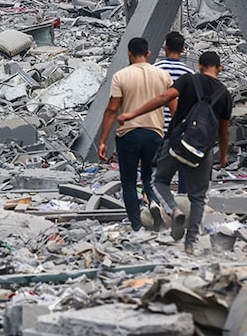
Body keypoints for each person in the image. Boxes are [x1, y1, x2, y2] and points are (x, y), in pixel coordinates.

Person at [117, 51, 231, 254]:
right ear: (219, 68)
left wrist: (133, 114)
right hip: (202, 151)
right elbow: (224, 130)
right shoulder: (224, 93)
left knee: (157, 181)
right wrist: (222, 156)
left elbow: (163, 98)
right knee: (198, 198)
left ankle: (173, 209)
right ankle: (190, 244)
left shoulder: (188, 80)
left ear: (199, 65)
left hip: (176, 144)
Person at [98, 37, 173, 231]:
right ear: (148, 54)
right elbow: (174, 109)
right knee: (151, 178)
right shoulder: (163, 75)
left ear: (129, 54)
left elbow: (112, 110)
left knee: (129, 182)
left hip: (128, 135)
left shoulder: (120, 76)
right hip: (155, 134)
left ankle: (137, 225)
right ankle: (155, 204)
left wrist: (103, 140)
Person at [154, 31, 193, 195]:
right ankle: (183, 199)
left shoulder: (154, 70)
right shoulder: (189, 75)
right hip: (179, 129)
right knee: (183, 166)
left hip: (156, 127)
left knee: (156, 170)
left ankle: (154, 200)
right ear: (183, 49)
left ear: (164, 48)